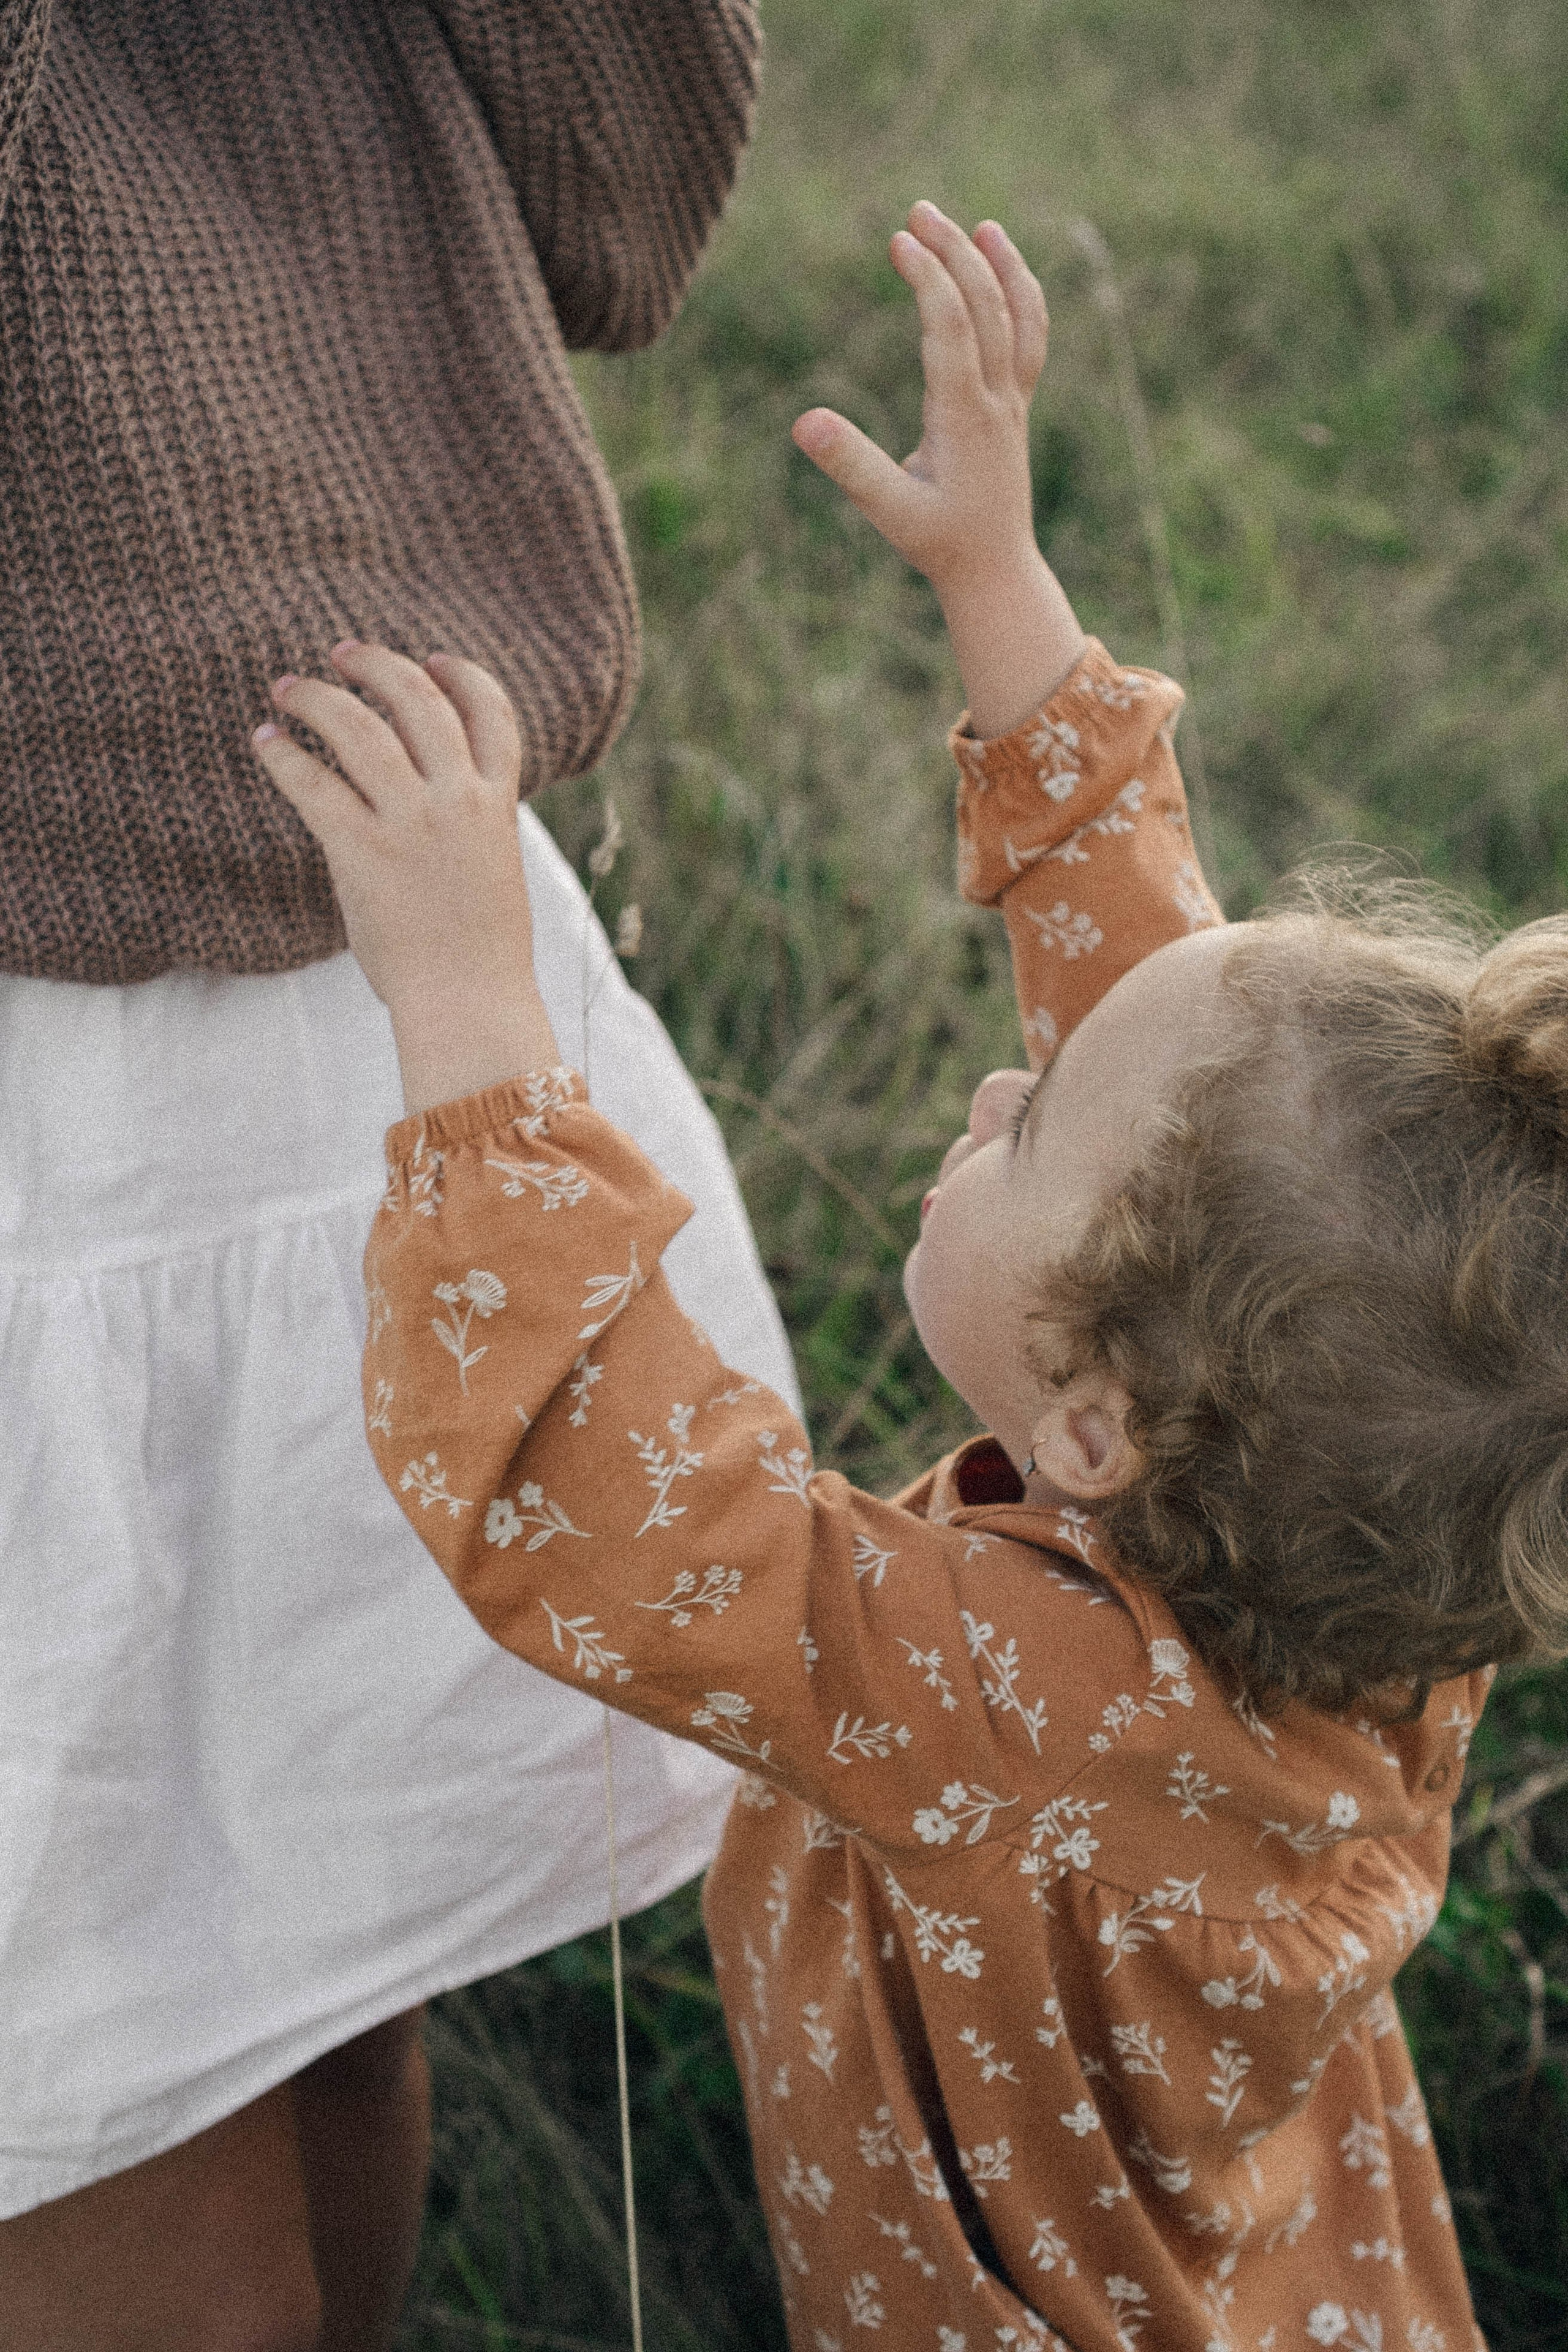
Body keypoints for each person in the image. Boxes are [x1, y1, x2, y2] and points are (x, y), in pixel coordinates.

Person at [252, 202, 1564, 2346]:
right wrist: (999, 583)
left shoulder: (1011, 1694)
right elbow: (1165, 1036)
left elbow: (626, 1507)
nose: (986, 1087)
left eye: (1025, 1130)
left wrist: (472, 1007)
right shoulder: (1391, 1514)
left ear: (1097, 1426)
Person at [0, 6, 801, 2348]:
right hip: (43, 1126)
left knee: (350, 2002)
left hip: (393, 998)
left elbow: (626, 213)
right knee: (113, 2129)